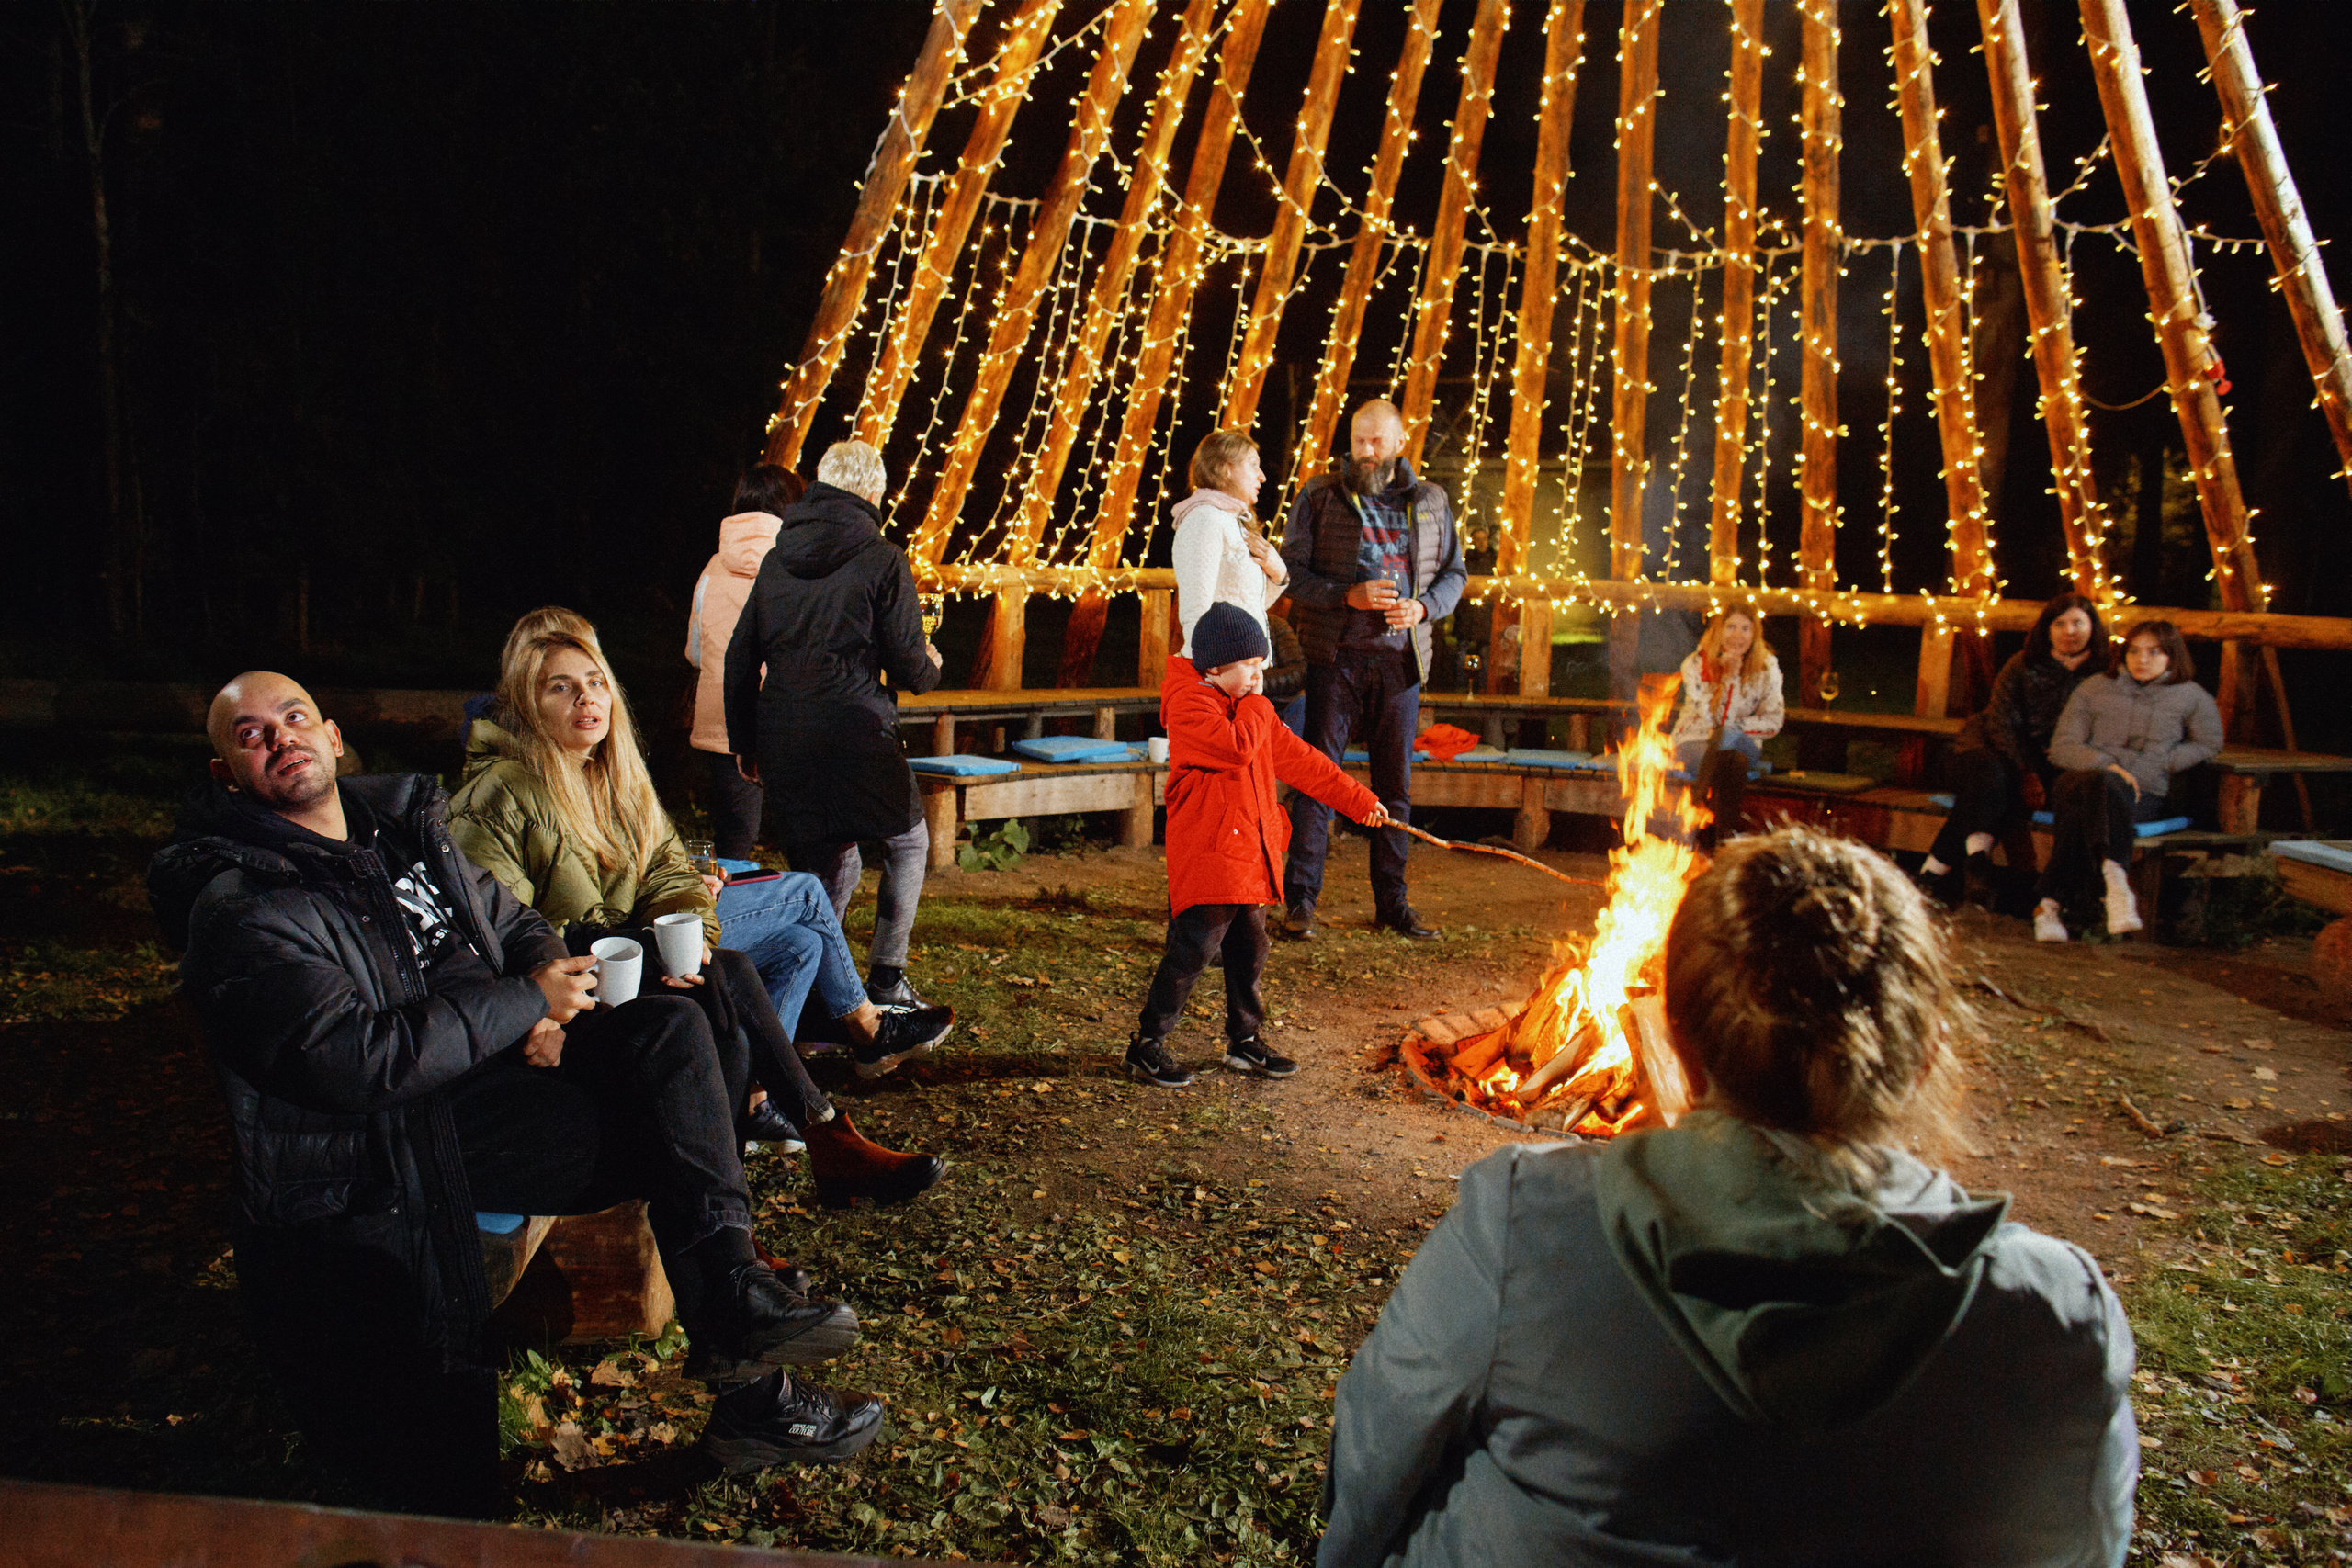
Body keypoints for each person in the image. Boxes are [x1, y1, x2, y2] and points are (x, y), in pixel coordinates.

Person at [148, 672, 887, 1516]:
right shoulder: (248, 902)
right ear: (225, 773)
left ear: (335, 732)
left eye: (292, 717)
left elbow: (514, 921)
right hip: (400, 1139)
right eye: (250, 734)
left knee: (682, 1022)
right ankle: (748, 1370)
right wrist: (522, 1004)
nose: (279, 738)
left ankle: (730, 1300)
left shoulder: (397, 830)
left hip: (492, 1076)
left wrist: (541, 983)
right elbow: (360, 1062)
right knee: (681, 1125)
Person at [1318, 826, 2138, 1566]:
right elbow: (2081, 1543)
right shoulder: (2059, 1312)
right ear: (1920, 1056)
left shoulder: (1528, 1221)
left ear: (1676, 1040)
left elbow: (1379, 1447)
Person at [449, 622, 948, 1206]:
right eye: (560, 688)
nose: (586, 698)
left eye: (595, 682)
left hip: (623, 963)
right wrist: (540, 1015)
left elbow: (667, 869)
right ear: (525, 705)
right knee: (775, 931)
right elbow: (492, 928)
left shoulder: (612, 774)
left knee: (758, 964)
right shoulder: (502, 792)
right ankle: (820, 1127)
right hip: (571, 993)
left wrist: (688, 929)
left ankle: (793, 1140)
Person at [1126, 604, 1389, 1089]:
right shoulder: (1190, 704)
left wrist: (1358, 800)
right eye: (1250, 665)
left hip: (1250, 854)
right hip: (1210, 855)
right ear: (1215, 666)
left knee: (1251, 950)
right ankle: (1148, 1043)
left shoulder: (1247, 709)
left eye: (1260, 664)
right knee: (1192, 951)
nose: (1259, 674)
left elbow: (1305, 763)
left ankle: (1244, 1040)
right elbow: (1234, 748)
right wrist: (1258, 705)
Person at [725, 439, 942, 1010]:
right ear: (872, 493)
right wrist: (931, 666)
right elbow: (911, 664)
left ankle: (825, 985)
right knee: (909, 841)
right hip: (855, 729)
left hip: (784, 733)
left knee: (825, 858)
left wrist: (745, 743)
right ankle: (886, 977)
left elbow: (738, 658)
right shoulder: (882, 557)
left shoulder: (776, 560)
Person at [1278, 399, 1467, 942]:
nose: (1365, 451)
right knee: (1318, 780)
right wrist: (1347, 596)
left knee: (1395, 787)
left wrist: (1424, 608)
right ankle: (1301, 903)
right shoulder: (1319, 495)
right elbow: (1290, 575)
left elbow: (1454, 574)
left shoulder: (1431, 501)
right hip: (1335, 660)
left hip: (1400, 664)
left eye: (1377, 441)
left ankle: (1392, 904)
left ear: (1400, 443)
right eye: (1359, 440)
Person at [2033, 618, 2222, 942]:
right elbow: (2063, 747)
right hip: (2078, 781)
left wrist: (2164, 761)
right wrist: (2107, 765)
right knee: (2099, 784)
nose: (2141, 659)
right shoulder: (2094, 688)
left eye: (2153, 652)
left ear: (2172, 656)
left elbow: (2209, 742)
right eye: (2134, 651)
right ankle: (2116, 880)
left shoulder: (2191, 696)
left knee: (2089, 810)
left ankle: (2048, 906)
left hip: (2141, 792)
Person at [1917, 591, 2106, 907]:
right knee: (1991, 776)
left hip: (2056, 758)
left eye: (2078, 623)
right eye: (2060, 624)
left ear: (2093, 627)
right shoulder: (2022, 664)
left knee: (1989, 794)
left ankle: (1937, 877)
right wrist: (2026, 770)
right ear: (2047, 629)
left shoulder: (2105, 673)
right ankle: (1973, 863)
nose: (2069, 631)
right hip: (1990, 745)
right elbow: (1999, 723)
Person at [688, 464, 802, 861]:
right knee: (803, 836)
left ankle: (715, 916)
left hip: (723, 720)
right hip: (782, 717)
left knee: (734, 836)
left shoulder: (712, 568)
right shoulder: (795, 566)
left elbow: (694, 652)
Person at [1666, 605, 1784, 852]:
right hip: (1694, 740)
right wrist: (1729, 678)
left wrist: (1734, 730)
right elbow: (1711, 719)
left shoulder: (1767, 666)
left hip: (1744, 741)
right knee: (1734, 763)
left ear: (1755, 633)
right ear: (1718, 629)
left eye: (1745, 628)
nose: (1738, 636)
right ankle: (1725, 845)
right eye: (1731, 627)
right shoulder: (1697, 663)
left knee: (1727, 738)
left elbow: (1773, 721)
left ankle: (1692, 817)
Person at [1172, 428, 1286, 655]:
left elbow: (1248, 605)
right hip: (1223, 674)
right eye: (1253, 464)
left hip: (1242, 669)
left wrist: (1279, 574)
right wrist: (1215, 672)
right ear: (1226, 469)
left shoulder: (1233, 522)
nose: (1262, 476)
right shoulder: (1205, 519)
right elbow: (1196, 610)